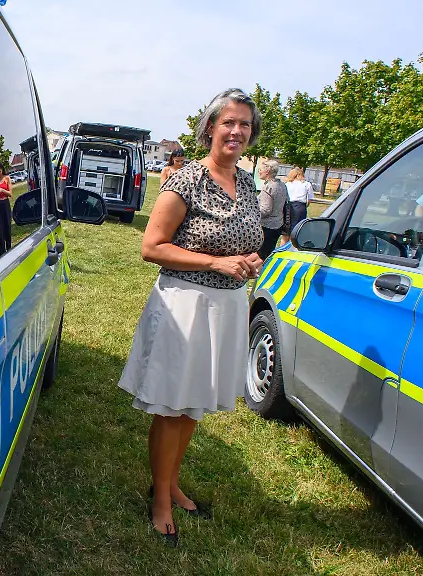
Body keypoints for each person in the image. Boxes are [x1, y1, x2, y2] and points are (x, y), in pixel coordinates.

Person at [117, 88, 264, 547]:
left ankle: (173, 480)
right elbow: (152, 246)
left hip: (227, 306)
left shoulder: (248, 183)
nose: (237, 131)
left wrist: (246, 257)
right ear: (210, 128)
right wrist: (216, 262)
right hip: (186, 303)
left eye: (244, 124)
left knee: (194, 401)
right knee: (171, 403)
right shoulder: (187, 181)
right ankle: (160, 496)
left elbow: (240, 237)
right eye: (229, 123)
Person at [257, 158, 289, 260]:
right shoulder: (282, 185)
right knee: (269, 252)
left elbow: (266, 210)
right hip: (278, 224)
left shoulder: (269, 187)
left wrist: (252, 212)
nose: (259, 172)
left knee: (261, 255)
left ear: (267, 171)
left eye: (260, 170)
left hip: (267, 226)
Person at [285, 168, 314, 233]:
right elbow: (310, 198)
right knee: (297, 229)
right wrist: (306, 205)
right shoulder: (307, 184)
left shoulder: (287, 184)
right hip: (300, 206)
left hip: (288, 205)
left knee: (286, 230)